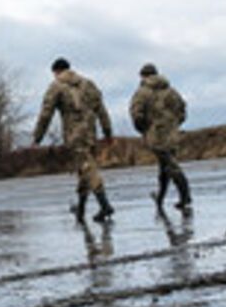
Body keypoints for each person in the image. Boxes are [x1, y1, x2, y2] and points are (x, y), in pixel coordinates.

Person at [31, 57, 116, 223]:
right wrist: (108, 133)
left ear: (56, 72)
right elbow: (101, 110)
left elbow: (46, 113)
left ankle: (105, 204)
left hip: (75, 136)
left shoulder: (56, 86)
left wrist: (37, 137)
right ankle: (81, 210)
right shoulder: (88, 84)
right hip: (91, 134)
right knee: (84, 170)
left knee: (88, 169)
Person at [128, 62, 192, 210]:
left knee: (170, 165)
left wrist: (144, 130)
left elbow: (136, 115)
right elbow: (182, 110)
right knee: (165, 167)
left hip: (156, 134)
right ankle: (160, 198)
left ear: (143, 76)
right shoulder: (171, 91)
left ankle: (185, 195)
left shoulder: (142, 92)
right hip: (172, 133)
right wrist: (175, 124)